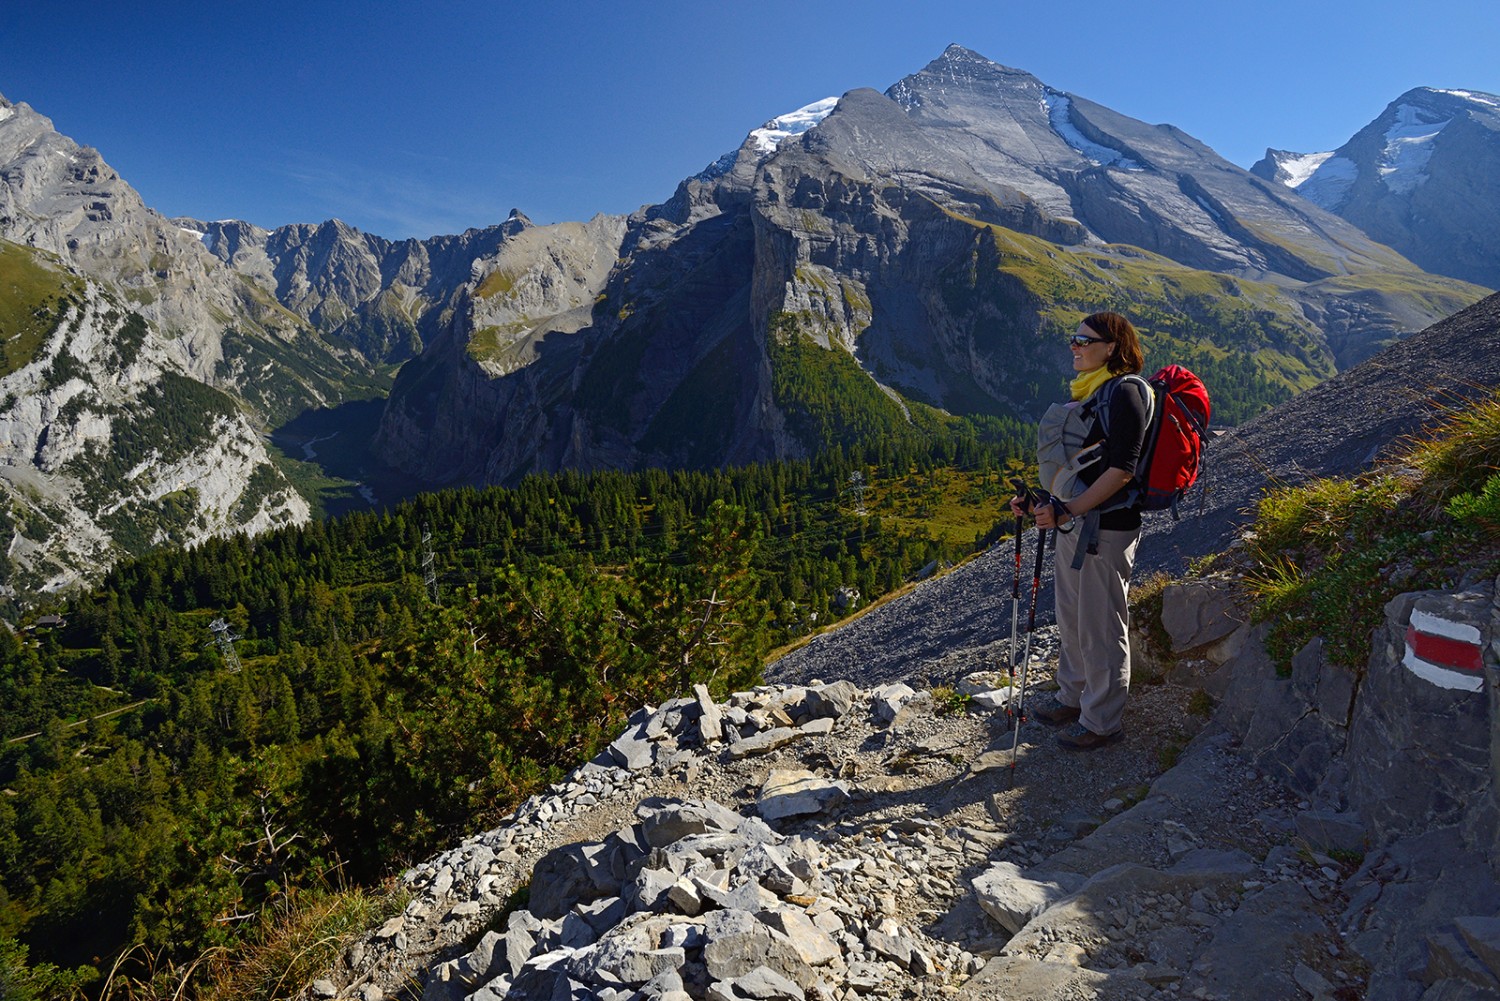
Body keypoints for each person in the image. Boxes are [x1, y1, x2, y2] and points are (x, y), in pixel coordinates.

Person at [1009, 311, 1150, 750]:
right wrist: (1041, 504)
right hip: (1075, 523)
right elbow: (1083, 468)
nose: (1074, 346)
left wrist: (1066, 509)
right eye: (1073, 339)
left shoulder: (1125, 392)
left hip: (1106, 529)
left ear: (1112, 347)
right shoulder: (1092, 393)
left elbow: (1122, 471)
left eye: (1084, 340)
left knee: (1101, 625)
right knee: (1071, 617)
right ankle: (1074, 696)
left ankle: (1103, 721)